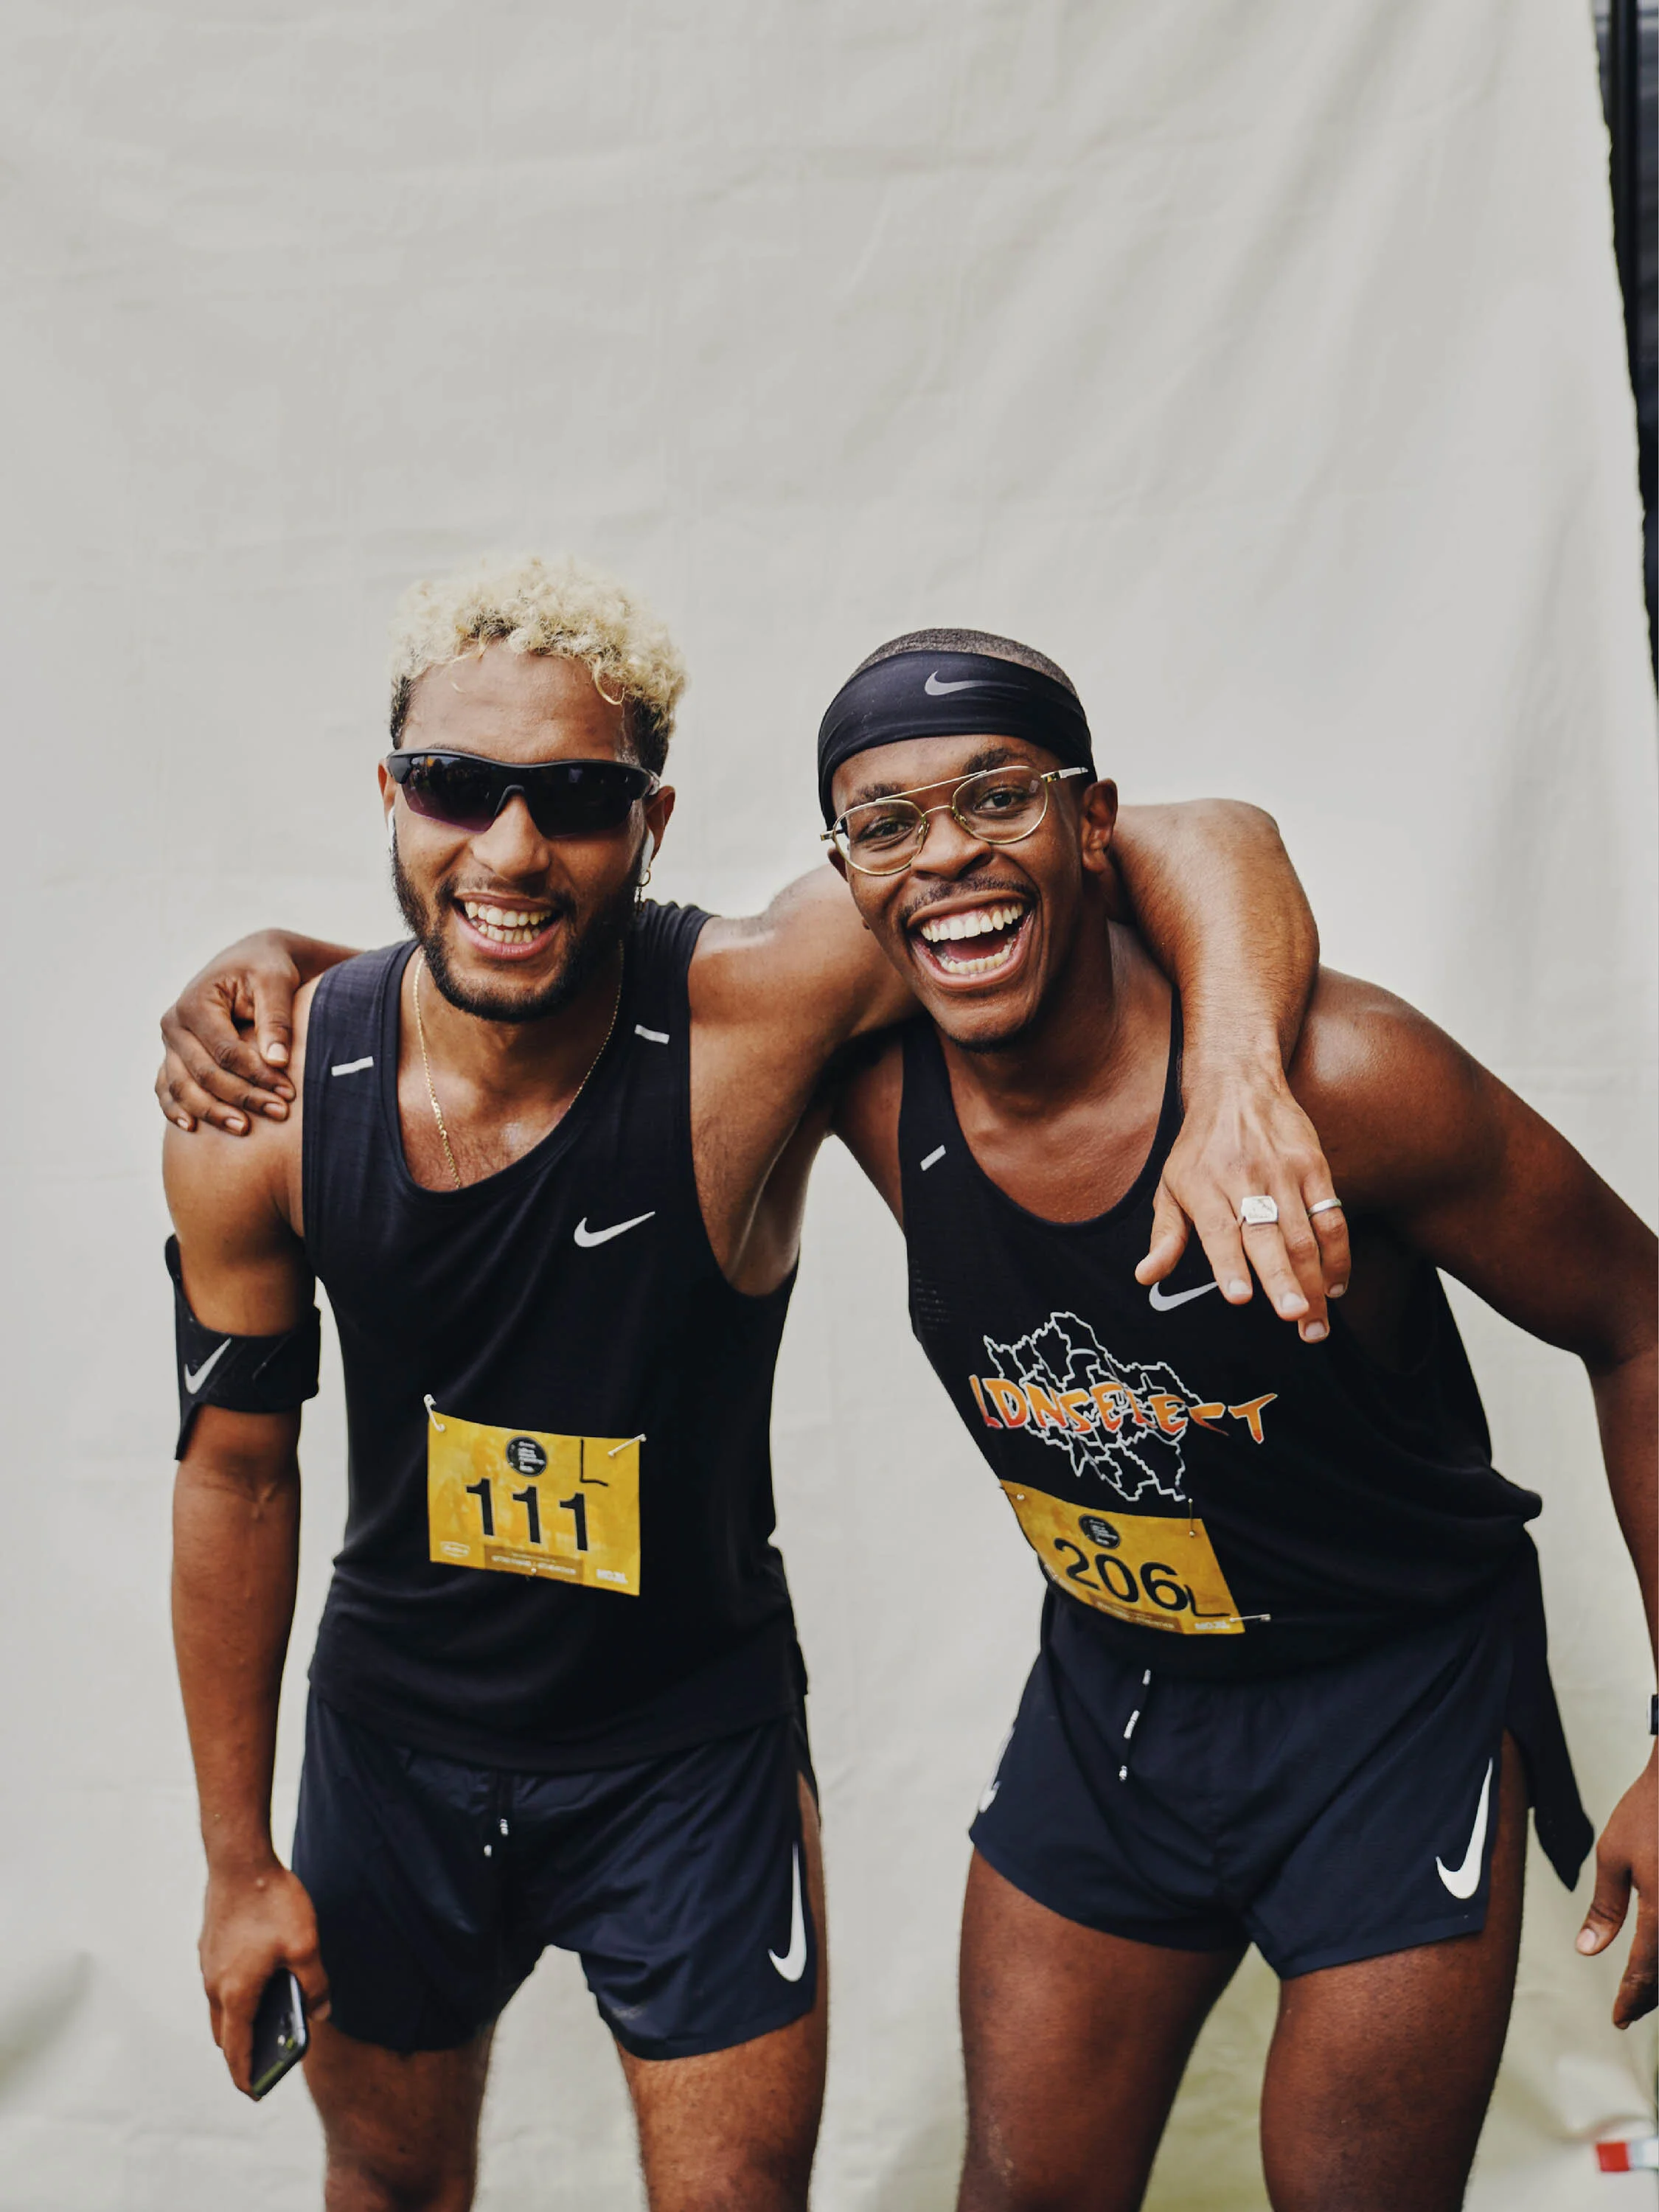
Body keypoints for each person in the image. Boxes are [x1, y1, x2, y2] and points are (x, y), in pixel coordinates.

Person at [158, 558, 1343, 2212]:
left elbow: (1192, 833)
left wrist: (1233, 1079)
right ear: (391, 794)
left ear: (647, 821)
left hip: (685, 1755)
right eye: (457, 789)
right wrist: (234, 1861)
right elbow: (235, 1476)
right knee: (385, 2180)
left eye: (571, 800)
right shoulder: (272, 1101)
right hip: (393, 1752)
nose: (509, 847)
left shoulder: (749, 1008)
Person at [808, 630, 1657, 2212]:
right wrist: (289, 976)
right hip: (1114, 1695)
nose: (947, 857)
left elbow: (1644, 1320)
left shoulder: (1345, 1079)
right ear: (848, 872)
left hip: (1388, 1707)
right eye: (886, 823)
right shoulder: (862, 1080)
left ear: (1089, 823)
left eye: (999, 797)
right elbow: (560, 980)